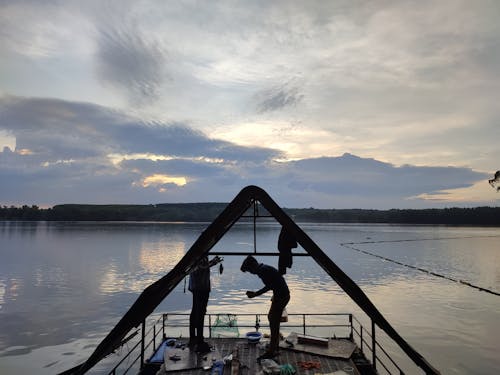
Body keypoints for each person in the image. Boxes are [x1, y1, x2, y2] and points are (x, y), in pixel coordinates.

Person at [241, 255, 290, 359]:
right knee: (271, 318)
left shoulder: (263, 271)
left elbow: (269, 286)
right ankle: (274, 346)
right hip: (280, 295)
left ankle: (272, 351)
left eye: (250, 270)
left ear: (253, 265)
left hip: (281, 296)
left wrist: (255, 294)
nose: (251, 273)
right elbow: (275, 283)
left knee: (273, 321)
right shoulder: (264, 269)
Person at [188, 255, 222, 352]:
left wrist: (212, 262)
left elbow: (202, 265)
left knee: (195, 311)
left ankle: (194, 338)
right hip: (200, 287)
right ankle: (199, 341)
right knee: (200, 313)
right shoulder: (199, 254)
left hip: (197, 286)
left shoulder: (198, 253)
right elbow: (202, 266)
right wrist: (213, 262)